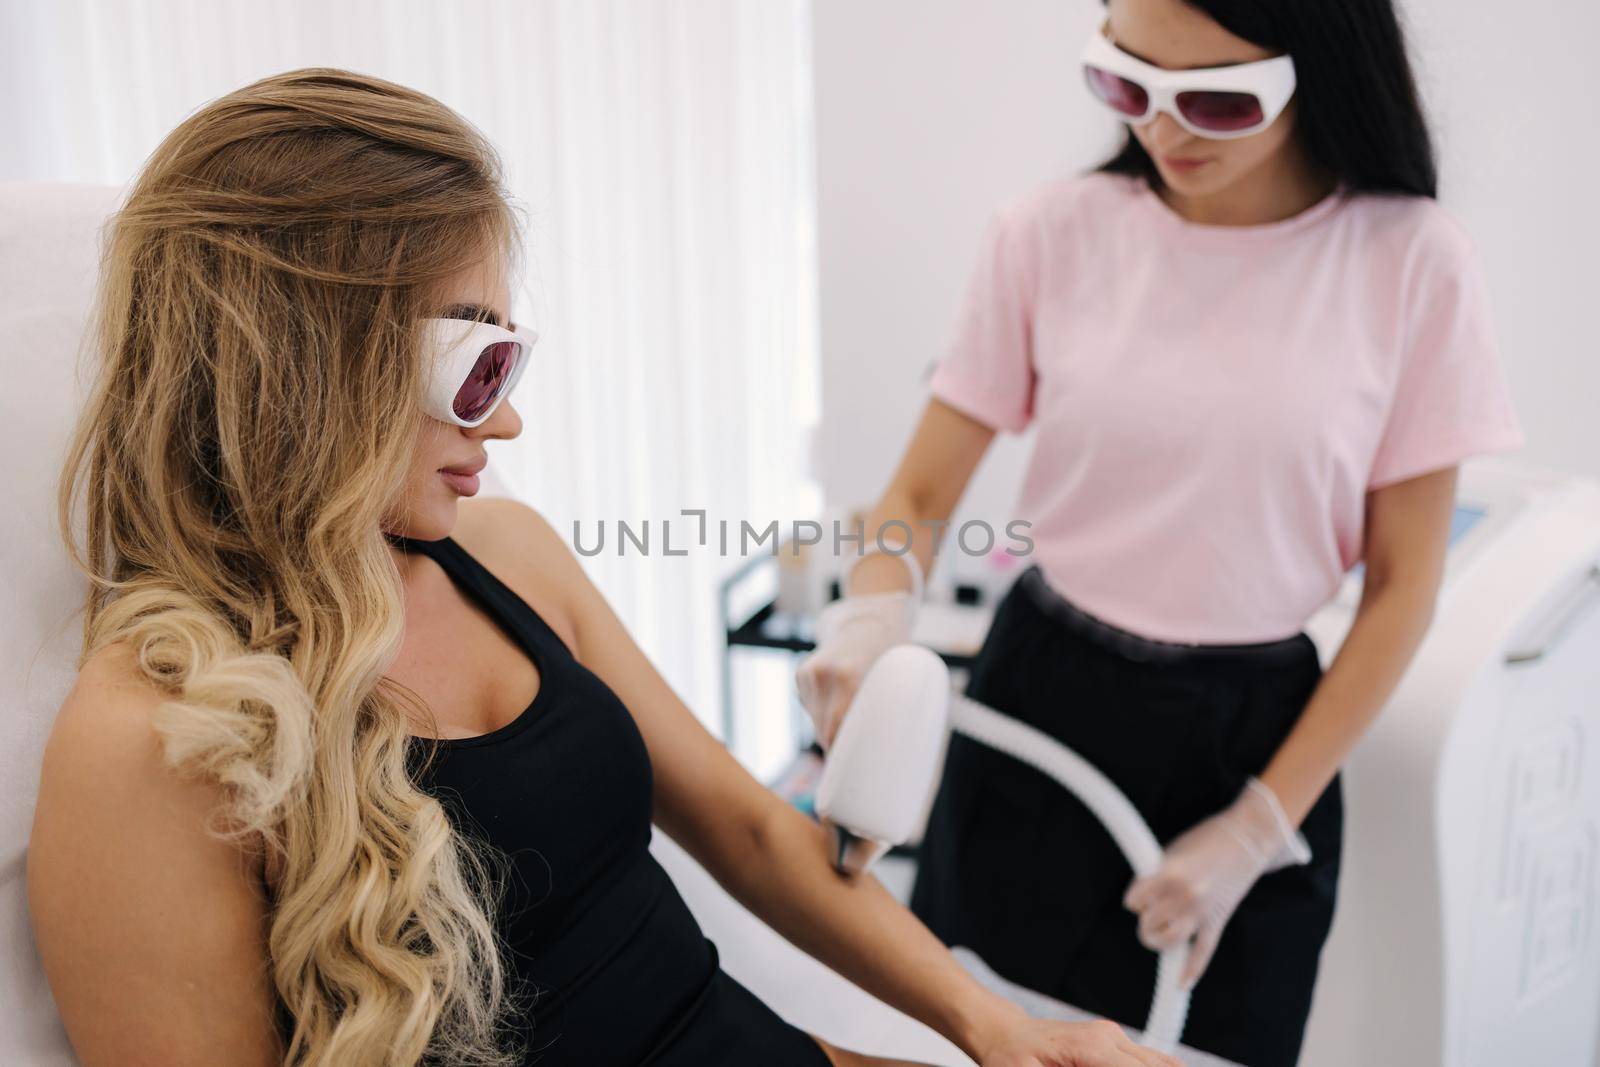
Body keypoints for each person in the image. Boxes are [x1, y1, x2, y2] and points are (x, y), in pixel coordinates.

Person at [24, 69, 1180, 1067]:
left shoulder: (501, 554)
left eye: (511, 360)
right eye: (478, 364)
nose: (510, 422)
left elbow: (748, 826)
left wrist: (991, 1028)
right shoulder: (149, 743)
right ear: (307, 358)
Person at [794, 1, 1525, 1065]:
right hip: (1042, 690)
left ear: (1315, 68)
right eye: (1125, 83)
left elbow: (1404, 583)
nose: (1163, 131)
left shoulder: (1411, 262)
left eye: (1218, 100)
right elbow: (913, 498)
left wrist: (1258, 827)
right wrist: (870, 618)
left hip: (1256, 736)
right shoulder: (1050, 234)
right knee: (981, 1037)